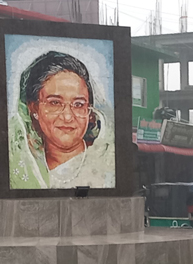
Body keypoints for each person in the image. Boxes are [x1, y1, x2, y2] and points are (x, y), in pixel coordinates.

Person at [8, 50, 115, 189]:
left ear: (89, 111)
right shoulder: (22, 165)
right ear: (34, 108)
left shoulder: (107, 163)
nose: (68, 117)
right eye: (55, 103)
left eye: (78, 104)